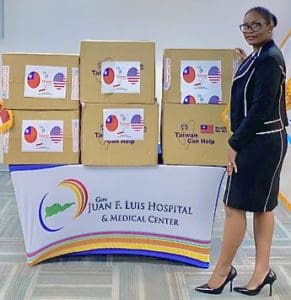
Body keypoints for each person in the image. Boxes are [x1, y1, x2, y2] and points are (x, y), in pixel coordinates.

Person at [195, 6, 288, 296]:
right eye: (245, 26)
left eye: (255, 25)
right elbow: (258, 93)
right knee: (261, 207)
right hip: (262, 140)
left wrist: (234, 144)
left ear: (271, 26)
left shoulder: (270, 60)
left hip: (259, 142)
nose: (249, 30)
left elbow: (260, 109)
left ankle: (224, 272)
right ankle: (261, 272)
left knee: (236, 206)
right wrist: (246, 62)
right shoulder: (261, 57)